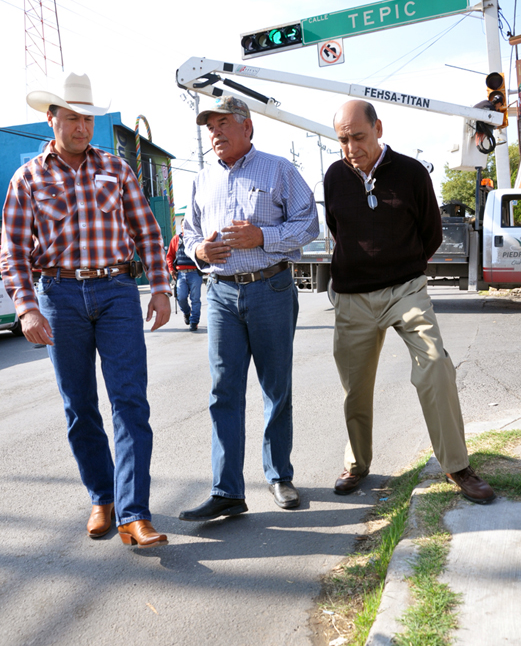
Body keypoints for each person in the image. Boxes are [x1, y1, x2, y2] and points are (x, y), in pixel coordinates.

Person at [0, 72, 171, 547]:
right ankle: (104, 496)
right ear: (51, 119)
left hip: (117, 290)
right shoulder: (28, 178)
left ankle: (135, 514)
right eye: (72, 117)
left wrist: (159, 287)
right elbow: (12, 249)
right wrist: (26, 307)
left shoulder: (116, 169)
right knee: (79, 407)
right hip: (59, 297)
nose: (81, 127)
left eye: (88, 118)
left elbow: (147, 232)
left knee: (130, 401)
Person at [324, 99, 495, 504]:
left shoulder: (412, 173)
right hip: (352, 296)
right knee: (355, 388)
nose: (351, 148)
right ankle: (357, 464)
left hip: (406, 289)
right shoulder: (333, 177)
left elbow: (431, 232)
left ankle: (457, 465)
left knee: (435, 363)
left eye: (358, 137)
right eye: (343, 140)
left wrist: (405, 266)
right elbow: (337, 229)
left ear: (378, 128)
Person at [178, 95, 319, 521]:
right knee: (223, 391)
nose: (215, 133)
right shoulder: (203, 180)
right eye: (210, 127)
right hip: (220, 293)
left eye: (223, 123)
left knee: (276, 388)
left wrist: (262, 237)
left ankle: (279, 475)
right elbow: (188, 234)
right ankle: (227, 491)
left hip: (270, 288)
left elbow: (309, 224)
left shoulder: (279, 169)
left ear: (247, 126)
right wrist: (200, 248)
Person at [166, 219, 202, 330]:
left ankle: (194, 321)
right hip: (180, 274)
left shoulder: (197, 238)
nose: (185, 227)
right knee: (181, 298)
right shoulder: (176, 239)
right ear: (181, 227)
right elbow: (169, 256)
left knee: (195, 299)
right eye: (183, 225)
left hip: (195, 273)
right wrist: (171, 269)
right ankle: (187, 312)